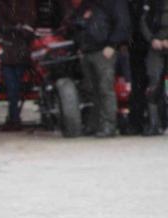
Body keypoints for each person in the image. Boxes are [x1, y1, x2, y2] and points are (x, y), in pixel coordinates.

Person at [67, 0, 130, 137]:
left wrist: (112, 45)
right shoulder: (86, 4)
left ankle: (109, 125)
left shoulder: (114, 3)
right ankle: (95, 124)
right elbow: (76, 24)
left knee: (105, 89)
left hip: (104, 51)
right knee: (91, 90)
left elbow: (122, 23)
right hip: (87, 51)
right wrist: (79, 46)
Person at [0, 0, 36, 131]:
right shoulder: (26, 5)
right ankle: (14, 117)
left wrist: (13, 28)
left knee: (13, 87)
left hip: (12, 50)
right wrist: (19, 28)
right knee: (13, 87)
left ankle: (14, 118)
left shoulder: (5, 5)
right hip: (15, 50)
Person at [140, 0, 168, 135]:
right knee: (154, 84)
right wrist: (152, 39)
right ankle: (154, 124)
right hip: (155, 48)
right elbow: (143, 22)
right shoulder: (150, 2)